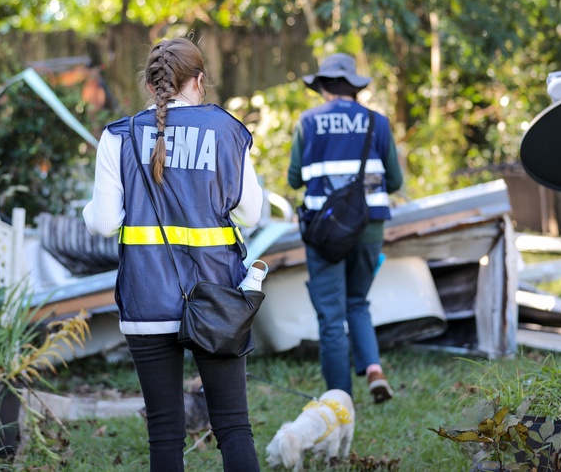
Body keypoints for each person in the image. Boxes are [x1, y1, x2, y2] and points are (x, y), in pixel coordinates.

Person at [83, 37, 264, 472]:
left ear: (150, 83)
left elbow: (105, 222)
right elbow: (251, 213)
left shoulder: (117, 137)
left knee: (164, 431)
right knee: (234, 427)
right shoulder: (226, 130)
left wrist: (88, 209)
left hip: (146, 299)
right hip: (217, 300)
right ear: (200, 81)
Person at [287, 53, 404, 404]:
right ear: (354, 87)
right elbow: (394, 181)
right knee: (357, 301)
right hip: (369, 227)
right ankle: (373, 370)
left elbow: (294, 179)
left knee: (331, 316)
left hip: (325, 232)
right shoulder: (378, 123)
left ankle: (340, 398)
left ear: (323, 87)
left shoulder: (308, 122)